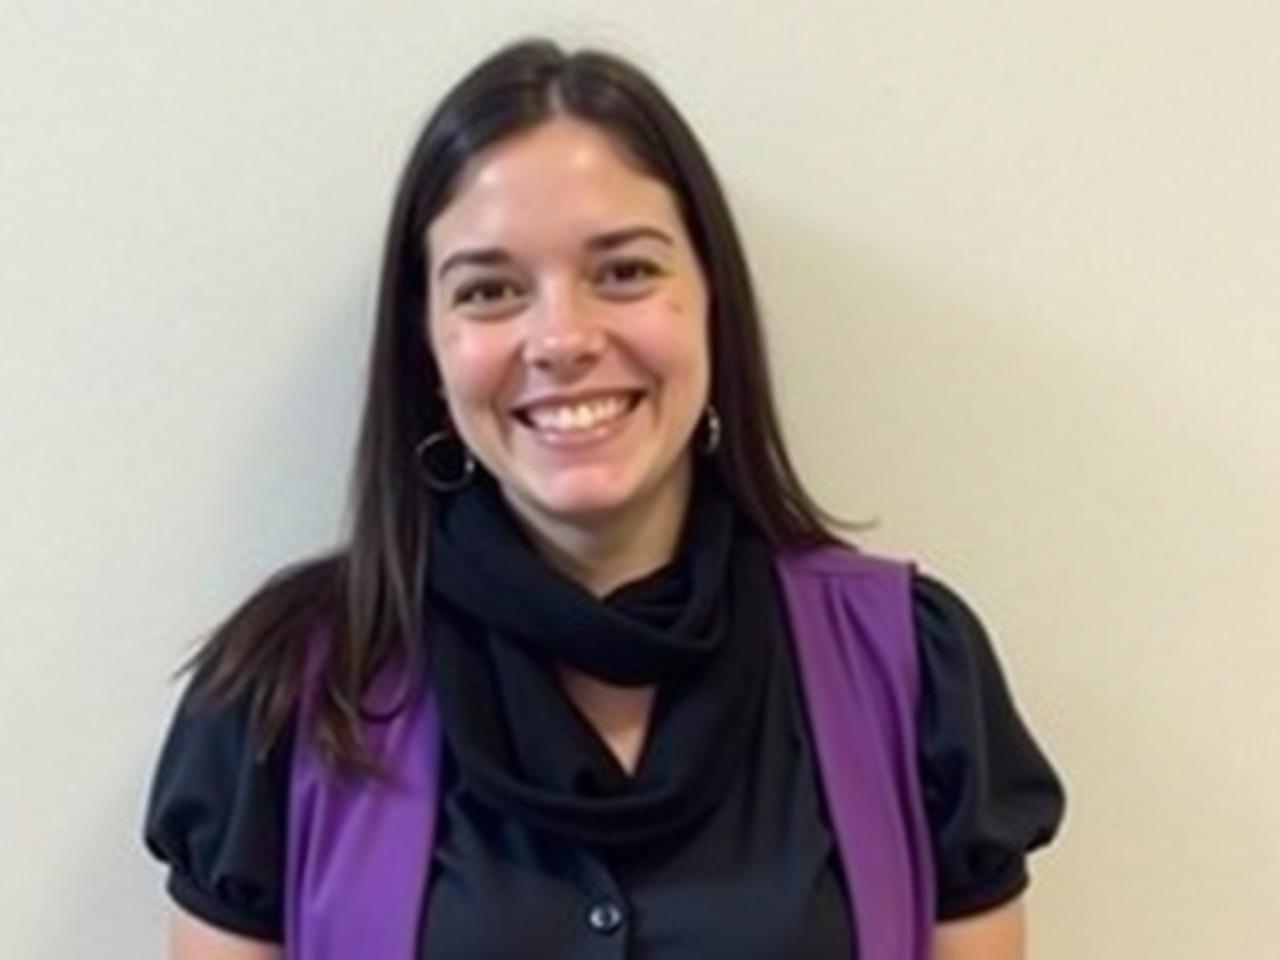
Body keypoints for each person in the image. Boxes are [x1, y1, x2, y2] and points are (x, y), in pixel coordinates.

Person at [143, 38, 1065, 960]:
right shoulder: (285, 696)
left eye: (623, 271)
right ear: (426, 344)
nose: (562, 338)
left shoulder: (910, 669)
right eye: (491, 289)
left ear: (712, 300)